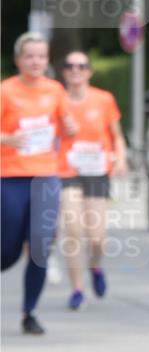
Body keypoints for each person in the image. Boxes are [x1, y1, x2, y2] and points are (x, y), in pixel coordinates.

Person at [1, 32, 77, 334]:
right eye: (29, 56)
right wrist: (8, 138)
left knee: (41, 246)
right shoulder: (6, 91)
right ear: (19, 60)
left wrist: (70, 128)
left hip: (46, 176)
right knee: (6, 250)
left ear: (47, 61)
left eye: (41, 56)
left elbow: (66, 129)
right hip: (10, 176)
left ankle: (29, 312)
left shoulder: (56, 90)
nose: (36, 61)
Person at [57, 51, 128, 309]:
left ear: (89, 71)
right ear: (64, 71)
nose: (75, 70)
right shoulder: (58, 100)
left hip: (97, 170)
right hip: (67, 170)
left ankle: (95, 266)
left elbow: (117, 135)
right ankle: (77, 289)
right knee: (73, 230)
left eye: (81, 66)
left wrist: (120, 158)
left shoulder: (103, 99)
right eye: (70, 65)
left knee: (96, 237)